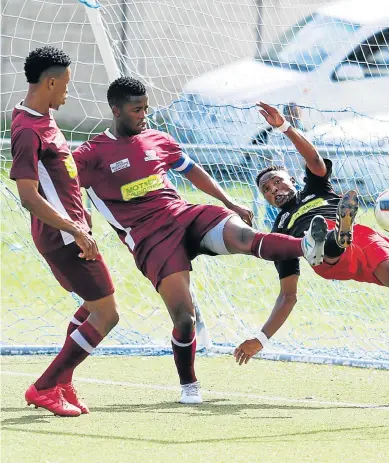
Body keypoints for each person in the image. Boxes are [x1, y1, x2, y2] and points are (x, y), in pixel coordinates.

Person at [72, 77, 328, 404]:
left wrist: (229, 202)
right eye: (137, 110)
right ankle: (189, 385)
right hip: (150, 240)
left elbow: (191, 171)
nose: (144, 115)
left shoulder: (158, 139)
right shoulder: (90, 154)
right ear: (116, 110)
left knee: (241, 236)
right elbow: (64, 188)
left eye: (147, 108)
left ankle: (307, 246)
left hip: (184, 216)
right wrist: (75, 226)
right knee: (184, 318)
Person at [233, 102, 389, 401]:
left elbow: (312, 158)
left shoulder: (315, 188)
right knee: (323, 232)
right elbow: (288, 295)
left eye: (276, 181)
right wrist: (261, 339)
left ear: (291, 179)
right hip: (326, 259)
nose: (272, 189)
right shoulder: (279, 232)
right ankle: (335, 234)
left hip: (361, 239)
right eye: (265, 190)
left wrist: (284, 128)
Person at [10, 47, 120, 417]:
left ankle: (63, 381)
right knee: (107, 314)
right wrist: (75, 228)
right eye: (66, 85)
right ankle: (44, 386)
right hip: (63, 237)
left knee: (93, 307)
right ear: (51, 82)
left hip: (70, 233)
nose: (68, 93)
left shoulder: (42, 118)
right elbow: (28, 195)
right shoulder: (28, 130)